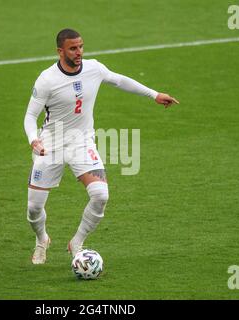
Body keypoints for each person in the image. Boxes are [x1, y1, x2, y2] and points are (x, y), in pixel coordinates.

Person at [24, 28, 179, 264]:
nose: (79, 52)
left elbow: (119, 80)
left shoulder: (94, 68)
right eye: (73, 48)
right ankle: (41, 239)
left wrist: (154, 94)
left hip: (81, 141)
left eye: (81, 46)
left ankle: (77, 242)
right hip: (51, 143)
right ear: (60, 51)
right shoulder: (47, 80)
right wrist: (33, 139)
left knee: (100, 195)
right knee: (34, 208)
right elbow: (30, 116)